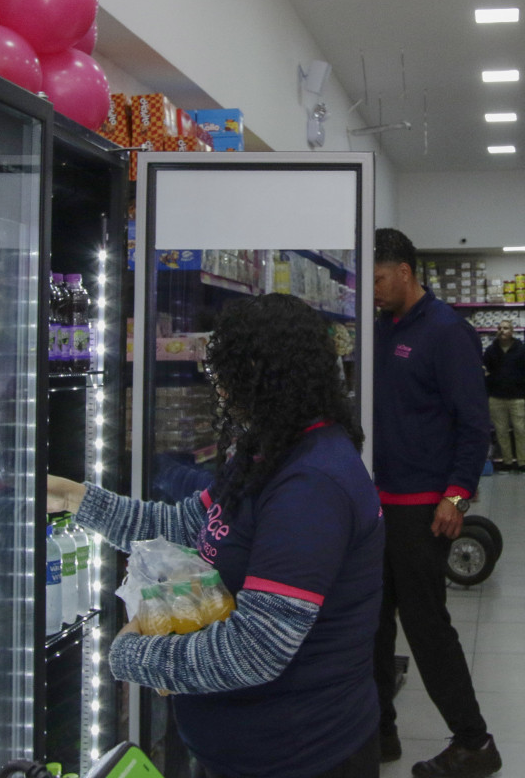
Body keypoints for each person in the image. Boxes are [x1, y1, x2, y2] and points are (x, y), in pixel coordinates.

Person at [47, 293, 384, 778]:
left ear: (258, 373)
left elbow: (256, 649)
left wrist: (133, 655)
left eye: (221, 373)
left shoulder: (312, 486)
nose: (219, 390)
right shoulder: (269, 452)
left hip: (299, 755)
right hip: (242, 748)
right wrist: (75, 498)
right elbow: (183, 527)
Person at [371, 228, 502, 778]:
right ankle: (378, 732)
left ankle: (474, 742)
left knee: (426, 627)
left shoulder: (448, 331)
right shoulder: (381, 328)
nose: (373, 289)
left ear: (404, 271)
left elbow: (474, 424)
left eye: (379, 278)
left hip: (422, 506)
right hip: (376, 503)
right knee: (372, 625)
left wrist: (456, 493)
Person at [483, 319, 525, 475]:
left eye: (506, 328)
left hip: (517, 398)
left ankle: (523, 463)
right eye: (499, 328)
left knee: (520, 430)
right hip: (496, 398)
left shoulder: (521, 349)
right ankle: (507, 463)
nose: (502, 330)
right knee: (501, 432)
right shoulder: (491, 351)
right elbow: (484, 372)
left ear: (512, 331)